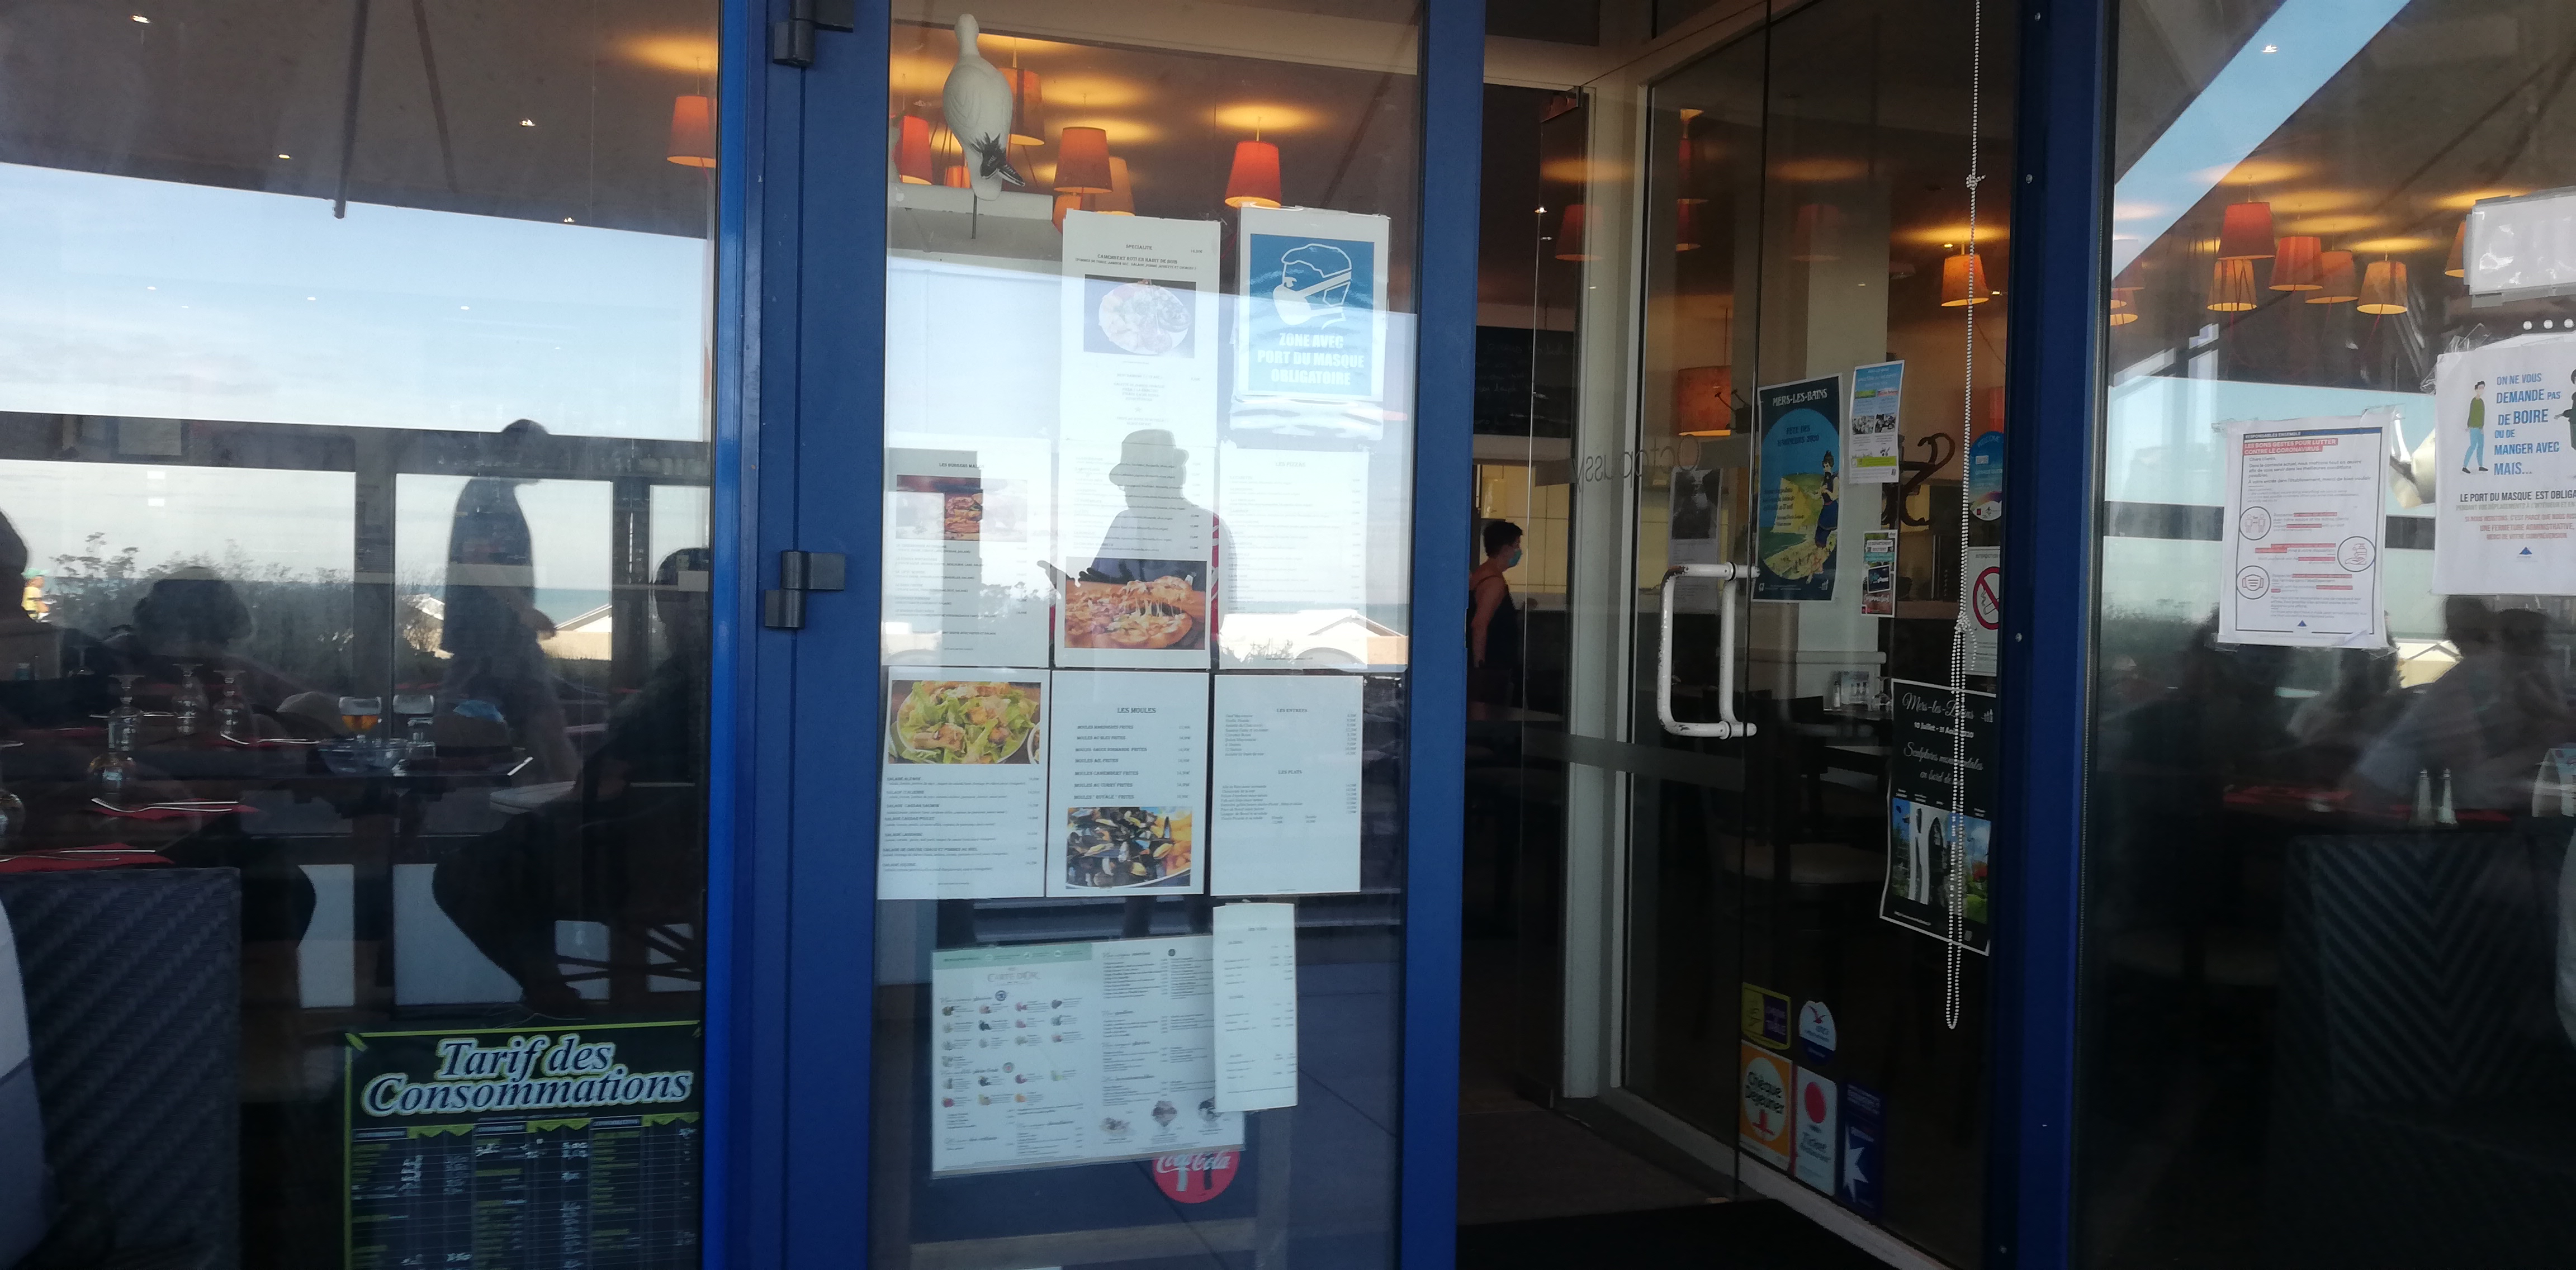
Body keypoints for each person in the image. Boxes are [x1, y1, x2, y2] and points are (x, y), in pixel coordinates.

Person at [441, 419, 577, 780]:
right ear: (519, 452)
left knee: (541, 727)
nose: (546, 462)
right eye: (541, 453)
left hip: (496, 641)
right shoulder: (490, 494)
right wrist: (524, 610)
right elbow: (476, 560)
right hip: (492, 641)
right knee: (545, 728)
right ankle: (578, 805)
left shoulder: (491, 492)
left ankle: (569, 800)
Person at [1468, 519, 1523, 718]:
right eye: (1516, 545)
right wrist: (1480, 669)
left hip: (1491, 667)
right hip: (1492, 668)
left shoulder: (1481, 574)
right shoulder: (1494, 582)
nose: (1519, 551)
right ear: (1505, 549)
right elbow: (1479, 625)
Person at [2464, 380, 2488, 473]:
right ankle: (2465, 466)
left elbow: (2482, 415)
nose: (2481, 390)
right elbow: (2472, 414)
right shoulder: (2474, 401)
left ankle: (2480, 465)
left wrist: (2482, 427)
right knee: (2473, 445)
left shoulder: (2481, 401)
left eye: (2483, 388)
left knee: (2481, 446)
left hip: (2480, 427)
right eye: (2480, 388)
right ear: (2476, 389)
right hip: (2474, 427)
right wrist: (2469, 425)